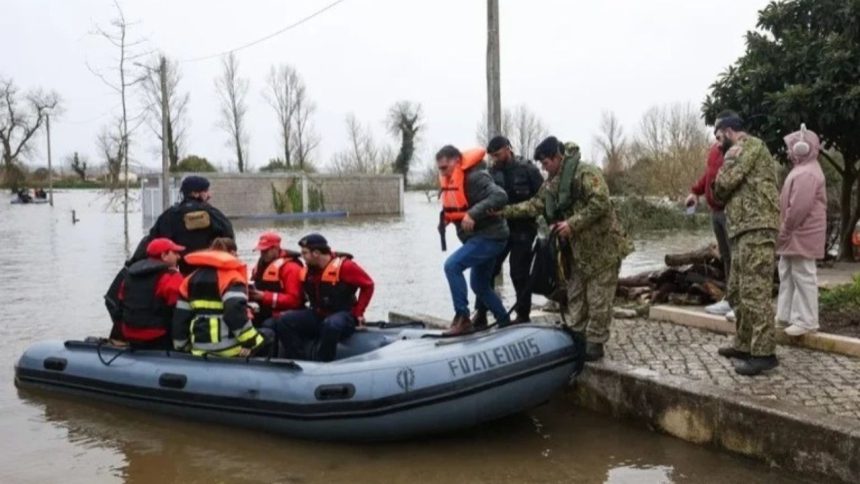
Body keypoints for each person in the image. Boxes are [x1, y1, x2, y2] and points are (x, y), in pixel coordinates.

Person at [504, 137, 633, 361]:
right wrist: (504, 211)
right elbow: (535, 205)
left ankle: (596, 342)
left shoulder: (586, 173)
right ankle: (577, 333)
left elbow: (600, 202)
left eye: (546, 163)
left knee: (598, 298)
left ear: (557, 156)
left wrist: (571, 224)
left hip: (604, 248)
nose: (544, 169)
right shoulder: (552, 184)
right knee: (576, 295)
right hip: (577, 252)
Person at [712, 111, 781, 376]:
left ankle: (764, 353)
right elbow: (718, 193)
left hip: (758, 226)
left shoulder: (751, 146)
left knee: (755, 290)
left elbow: (725, 183)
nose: (719, 144)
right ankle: (743, 344)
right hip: (742, 229)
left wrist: (725, 166)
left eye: (720, 137)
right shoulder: (734, 153)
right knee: (738, 291)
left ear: (729, 131)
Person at [437, 145, 510, 335]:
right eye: (440, 169)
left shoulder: (475, 177)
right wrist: (447, 219)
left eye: (445, 167)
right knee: (479, 285)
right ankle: (504, 321)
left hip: (492, 237)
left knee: (452, 266)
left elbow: (500, 196)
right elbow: (457, 206)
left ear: (456, 161)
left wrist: (472, 214)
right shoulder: (450, 180)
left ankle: (463, 318)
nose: (442, 172)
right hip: (478, 238)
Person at [472, 136, 544, 328]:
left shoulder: (529, 170)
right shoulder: (491, 173)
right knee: (488, 270)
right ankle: (481, 313)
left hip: (523, 230)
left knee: (518, 272)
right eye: (492, 156)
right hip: (499, 231)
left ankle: (522, 314)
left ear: (507, 149)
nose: (495, 159)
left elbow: (543, 200)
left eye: (497, 155)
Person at [273, 234, 374, 362]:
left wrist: (359, 312)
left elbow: (368, 285)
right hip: (318, 314)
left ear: (316, 253)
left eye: (305, 253)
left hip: (343, 315)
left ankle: (324, 362)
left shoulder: (345, 267)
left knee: (331, 325)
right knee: (284, 321)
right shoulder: (308, 271)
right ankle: (299, 360)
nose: (302, 257)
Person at [171, 237, 267, 357]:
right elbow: (234, 312)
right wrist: (251, 342)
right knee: (268, 336)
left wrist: (182, 346)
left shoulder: (190, 279)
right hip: (230, 350)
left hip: (199, 349)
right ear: (232, 254)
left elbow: (181, 317)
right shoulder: (232, 278)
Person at [776, 124, 827, 337]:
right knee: (787, 272)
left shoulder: (807, 173)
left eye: (791, 146)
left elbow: (798, 208)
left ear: (802, 147)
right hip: (796, 234)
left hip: (801, 234)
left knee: (803, 274)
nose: (788, 151)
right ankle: (785, 315)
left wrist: (785, 230)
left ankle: (806, 320)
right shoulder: (803, 170)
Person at [149, 175, 234, 274]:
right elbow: (229, 236)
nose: (209, 195)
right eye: (205, 191)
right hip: (210, 271)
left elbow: (153, 242)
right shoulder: (213, 214)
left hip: (182, 271)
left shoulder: (169, 216)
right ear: (195, 193)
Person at [686, 143, 733, 316]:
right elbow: (710, 173)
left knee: (737, 256)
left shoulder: (737, 149)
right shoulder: (715, 150)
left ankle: (739, 302)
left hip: (731, 210)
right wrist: (696, 191)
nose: (717, 136)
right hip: (716, 211)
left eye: (719, 131)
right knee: (727, 257)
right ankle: (730, 300)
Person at [117, 238, 185, 349]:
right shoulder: (171, 278)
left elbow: (120, 302)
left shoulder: (129, 276)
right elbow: (179, 310)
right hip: (157, 336)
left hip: (129, 333)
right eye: (175, 253)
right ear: (164, 256)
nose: (179, 256)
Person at [249, 231, 304, 327]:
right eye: (261, 251)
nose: (263, 254)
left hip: (287, 312)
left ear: (276, 248)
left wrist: (264, 296)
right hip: (265, 309)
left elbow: (294, 300)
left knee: (268, 325)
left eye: (266, 251)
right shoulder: (260, 265)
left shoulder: (291, 268)